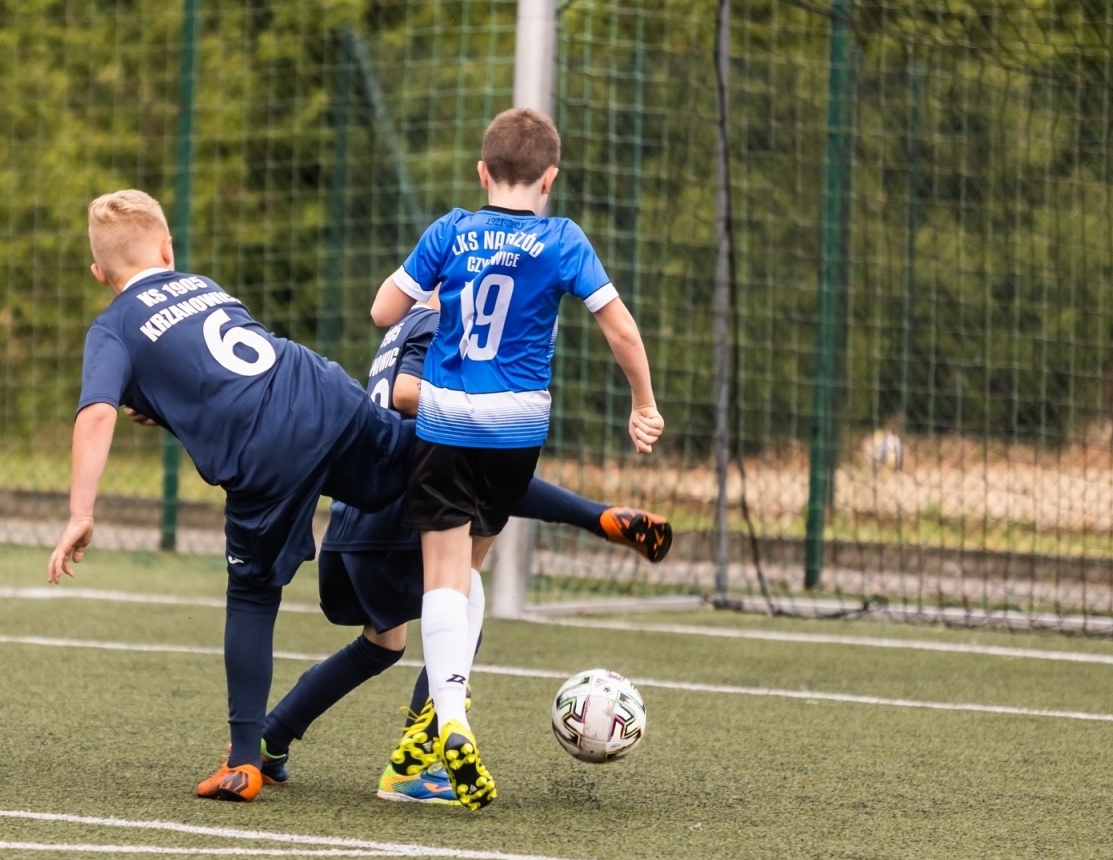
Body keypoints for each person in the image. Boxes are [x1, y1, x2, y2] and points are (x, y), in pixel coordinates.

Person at [48, 189, 662, 804]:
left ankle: (245, 759)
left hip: (265, 454)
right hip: (319, 391)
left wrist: (81, 513)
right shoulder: (202, 285)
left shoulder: (112, 327)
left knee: (254, 594)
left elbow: (98, 412)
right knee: (445, 475)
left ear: (101, 274)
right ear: (167, 248)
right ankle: (591, 521)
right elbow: (213, 366)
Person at [258, 295, 671, 804]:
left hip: (358, 518)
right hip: (399, 517)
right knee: (459, 600)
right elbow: (410, 396)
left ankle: (271, 738)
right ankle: (414, 766)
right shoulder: (439, 323)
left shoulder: (406, 326)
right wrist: (593, 516)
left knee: (380, 645)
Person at [370, 107, 665, 809]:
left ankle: (451, 722)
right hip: (517, 428)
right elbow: (619, 328)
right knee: (473, 569)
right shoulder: (562, 239)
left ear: (482, 172)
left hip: (445, 418)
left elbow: (385, 311)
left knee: (440, 579)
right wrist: (643, 404)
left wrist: (431, 285)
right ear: (549, 178)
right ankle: (445, 728)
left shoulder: (451, 229)